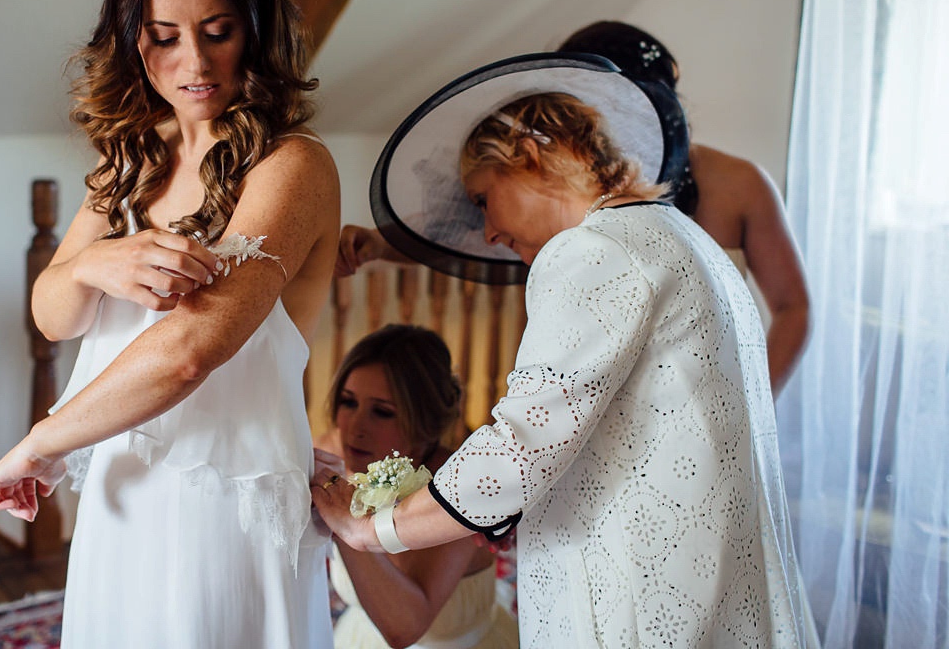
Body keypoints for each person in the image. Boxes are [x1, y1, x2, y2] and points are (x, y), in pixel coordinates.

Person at [313, 56, 817, 647]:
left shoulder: (592, 251)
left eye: (482, 200)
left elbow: (520, 448)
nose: (489, 233)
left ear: (527, 155)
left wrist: (375, 528)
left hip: (640, 595)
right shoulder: (685, 239)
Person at [0, 0, 340, 648]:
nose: (196, 64)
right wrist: (95, 261)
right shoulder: (129, 160)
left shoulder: (292, 166)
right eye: (164, 38)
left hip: (226, 494)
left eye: (219, 32)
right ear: (131, 40)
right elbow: (54, 314)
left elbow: (189, 352)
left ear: (257, 27)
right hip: (121, 480)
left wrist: (42, 441)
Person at [339, 22, 810, 397]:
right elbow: (469, 231)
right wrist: (380, 243)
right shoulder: (554, 202)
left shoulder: (739, 185)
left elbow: (794, 306)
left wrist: (751, 408)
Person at [315, 324, 518, 649]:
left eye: (382, 412)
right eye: (348, 402)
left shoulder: (462, 490)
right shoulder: (335, 457)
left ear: (424, 424)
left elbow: (404, 629)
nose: (354, 427)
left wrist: (344, 524)